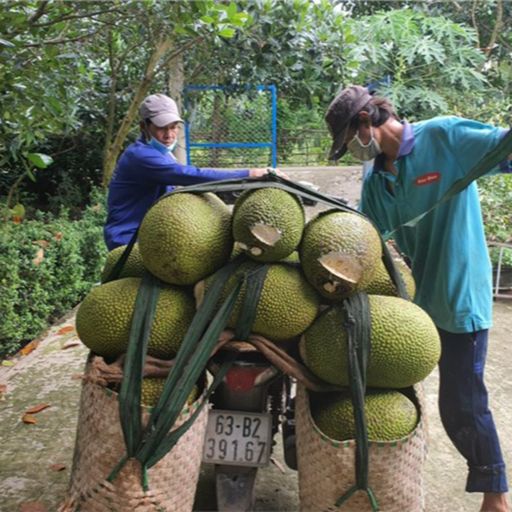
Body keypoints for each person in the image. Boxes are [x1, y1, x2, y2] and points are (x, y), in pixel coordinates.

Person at [325, 85, 511, 512]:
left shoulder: (444, 137)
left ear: (367, 122)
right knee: (412, 394)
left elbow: (502, 150)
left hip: (461, 293)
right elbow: (369, 240)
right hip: (419, 301)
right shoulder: (377, 179)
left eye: (350, 139)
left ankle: (497, 496)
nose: (353, 150)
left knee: (462, 402)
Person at [104, 93, 283, 250]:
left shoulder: (162, 153)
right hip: (128, 241)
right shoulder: (141, 157)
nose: (169, 134)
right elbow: (191, 176)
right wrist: (250, 174)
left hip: (152, 234)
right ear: (144, 127)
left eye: (173, 127)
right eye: (161, 128)